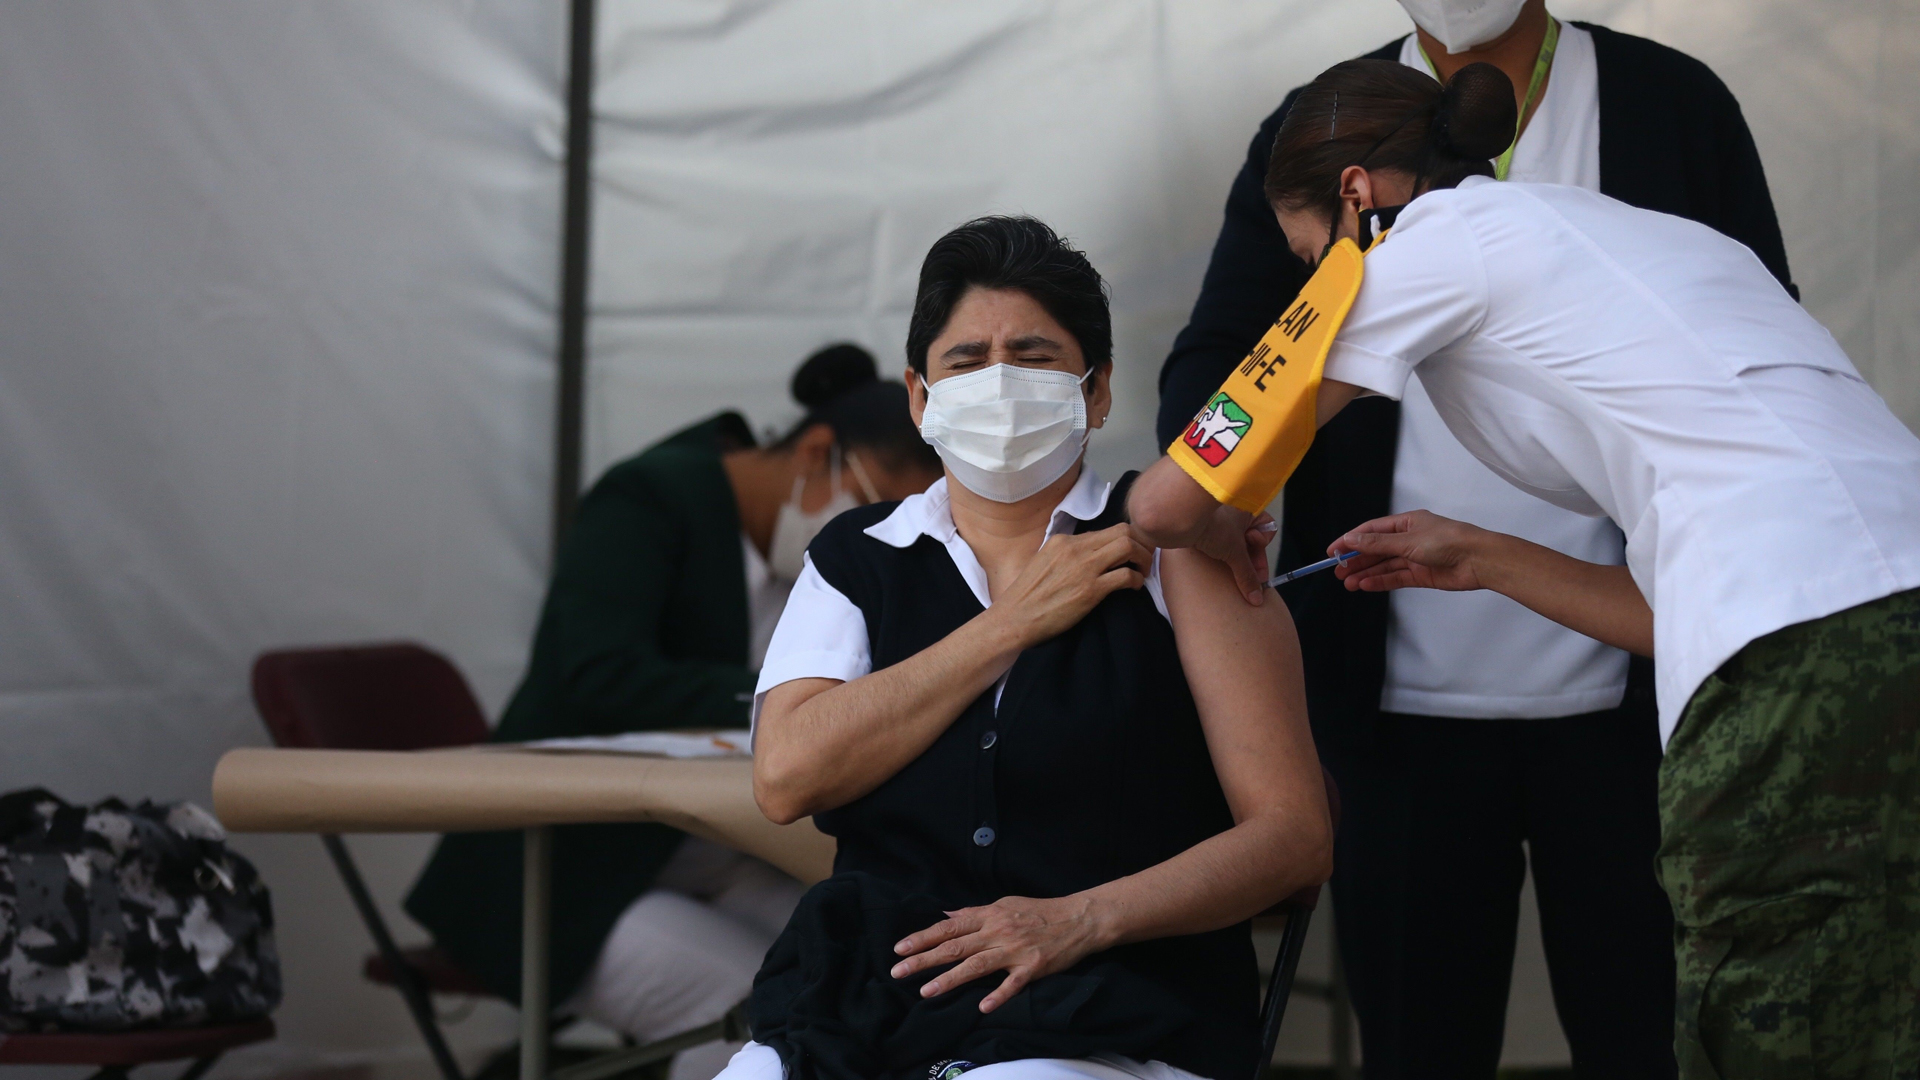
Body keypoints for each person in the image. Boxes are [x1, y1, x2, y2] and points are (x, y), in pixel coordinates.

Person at [1129, 58, 1920, 1080]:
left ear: (1355, 196)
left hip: (1788, 657)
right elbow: (1692, 606)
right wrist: (1483, 556)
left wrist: (1218, 514)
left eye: (1300, 249)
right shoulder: (1648, 237)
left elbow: (1170, 502)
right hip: (1872, 614)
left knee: (1755, 1020)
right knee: (1886, 1011)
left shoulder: (1418, 249)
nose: (1308, 272)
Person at [727, 216, 1333, 1080]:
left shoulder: (1181, 550)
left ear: (1097, 392)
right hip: (866, 1006)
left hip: (1118, 1012)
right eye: (966, 359)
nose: (999, 381)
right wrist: (1015, 621)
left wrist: (1078, 920)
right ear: (918, 397)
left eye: (1036, 356)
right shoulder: (859, 558)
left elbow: (1294, 838)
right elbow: (786, 777)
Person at [405, 345, 942, 1080]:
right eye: (879, 511)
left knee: (864, 966)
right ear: (818, 453)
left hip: (716, 856)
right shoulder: (653, 499)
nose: (881, 541)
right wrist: (786, 703)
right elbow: (598, 672)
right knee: (752, 1004)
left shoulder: (815, 574)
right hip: (576, 875)